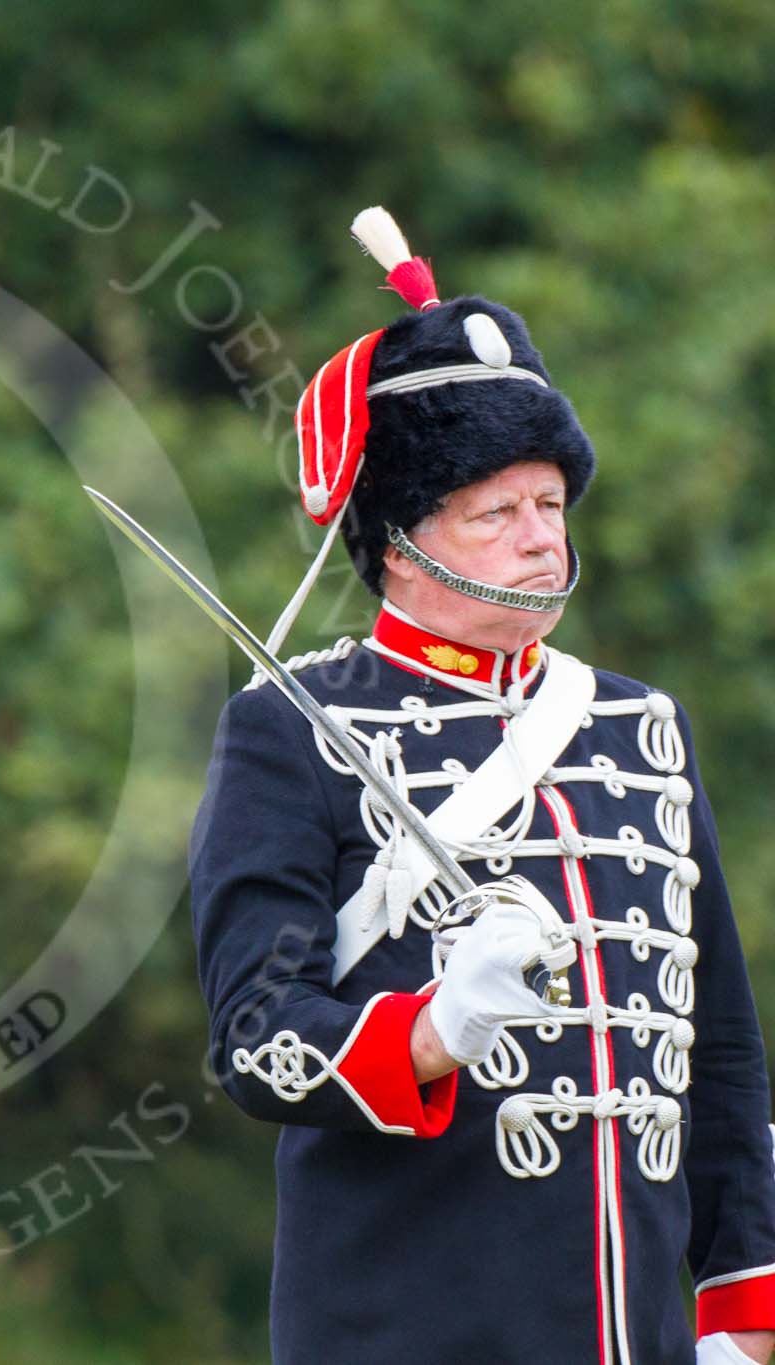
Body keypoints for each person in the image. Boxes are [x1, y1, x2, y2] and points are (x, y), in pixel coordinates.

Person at [190, 207, 775, 1363]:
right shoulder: (290, 727)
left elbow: (717, 1054)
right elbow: (253, 1038)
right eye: (493, 512)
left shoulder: (638, 727)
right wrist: (429, 1034)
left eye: (548, 504)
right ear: (399, 539)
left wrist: (741, 1320)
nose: (536, 541)